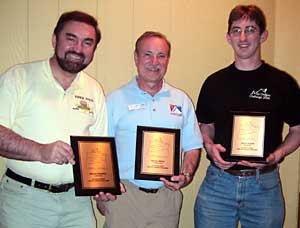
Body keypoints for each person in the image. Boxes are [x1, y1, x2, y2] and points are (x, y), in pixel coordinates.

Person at [194, 4, 300, 228]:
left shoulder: (283, 83)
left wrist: (278, 153)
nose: (243, 37)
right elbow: (205, 125)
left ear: (263, 35)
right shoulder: (214, 83)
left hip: (264, 187)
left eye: (250, 29)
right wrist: (209, 146)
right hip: (218, 186)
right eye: (236, 30)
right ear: (228, 37)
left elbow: (297, 130)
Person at [0, 11, 107, 228]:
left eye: (87, 43)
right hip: (25, 200)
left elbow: (98, 148)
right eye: (71, 38)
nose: (78, 49)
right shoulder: (19, 77)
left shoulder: (94, 89)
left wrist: (102, 187)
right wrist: (40, 151)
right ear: (54, 39)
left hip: (77, 203)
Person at [95, 31, 203, 228]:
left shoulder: (181, 100)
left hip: (166, 197)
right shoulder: (115, 100)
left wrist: (186, 175)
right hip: (125, 195)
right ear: (136, 57)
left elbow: (193, 146)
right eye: (148, 54)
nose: (155, 61)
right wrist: (102, 189)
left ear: (167, 60)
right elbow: (100, 148)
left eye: (161, 55)